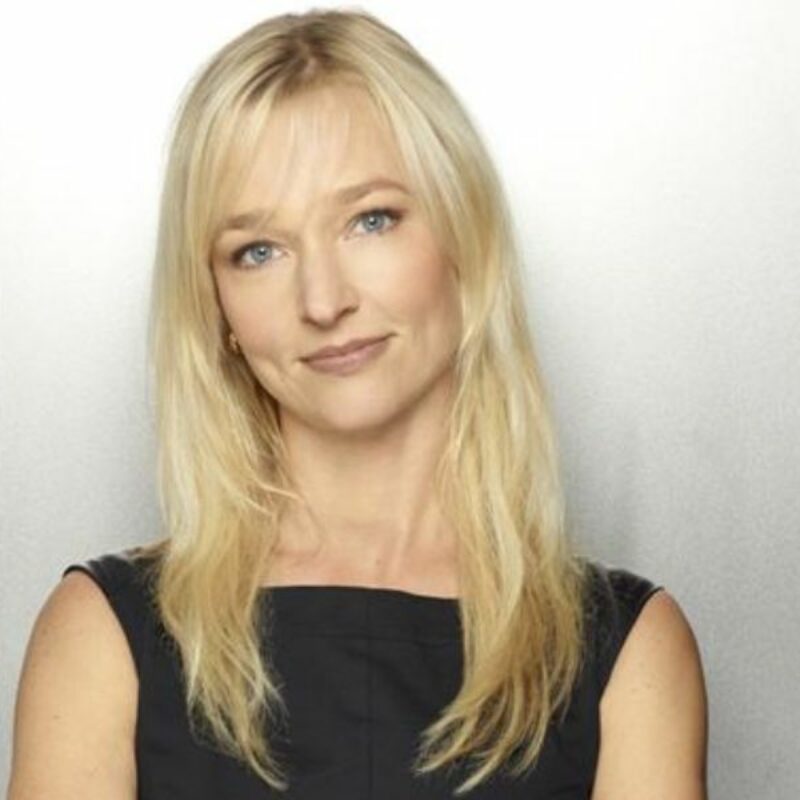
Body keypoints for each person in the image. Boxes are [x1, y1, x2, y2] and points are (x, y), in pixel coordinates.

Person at [7, 8, 708, 799]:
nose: (322, 299)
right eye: (258, 251)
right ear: (217, 309)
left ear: (465, 237)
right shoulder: (102, 638)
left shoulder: (626, 653)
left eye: (370, 220)